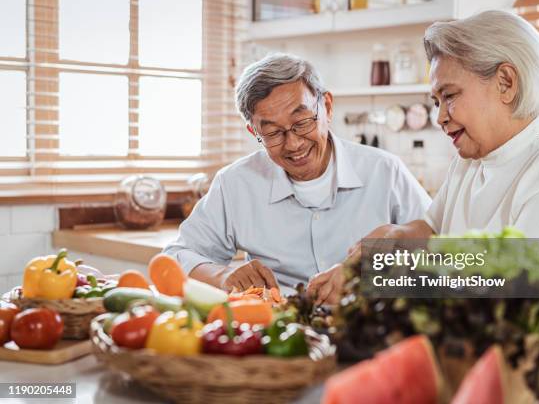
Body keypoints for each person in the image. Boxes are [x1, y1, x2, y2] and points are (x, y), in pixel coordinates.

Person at [164, 53, 431, 300]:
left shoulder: (385, 172)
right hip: (277, 336)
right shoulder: (235, 183)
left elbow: (457, 262)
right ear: (253, 132)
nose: (293, 144)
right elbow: (175, 257)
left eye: (302, 123)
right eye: (273, 133)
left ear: (326, 107)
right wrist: (222, 276)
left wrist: (373, 276)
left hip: (368, 330)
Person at [353, 10, 539, 246]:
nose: (439, 117)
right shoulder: (469, 162)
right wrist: (393, 240)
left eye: (450, 95)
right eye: (436, 101)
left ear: (506, 83)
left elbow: (518, 283)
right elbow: (431, 229)